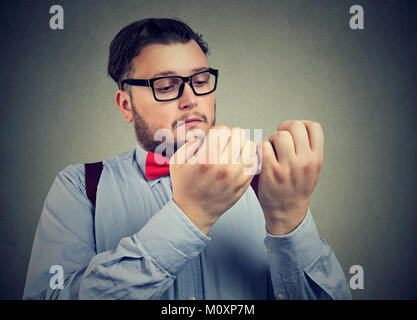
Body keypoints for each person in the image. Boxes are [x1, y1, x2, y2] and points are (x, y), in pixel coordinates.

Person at [23, 18, 351, 300]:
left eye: (200, 80)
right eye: (166, 86)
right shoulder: (81, 187)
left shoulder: (269, 178)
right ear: (126, 105)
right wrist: (191, 215)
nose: (191, 99)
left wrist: (289, 219)